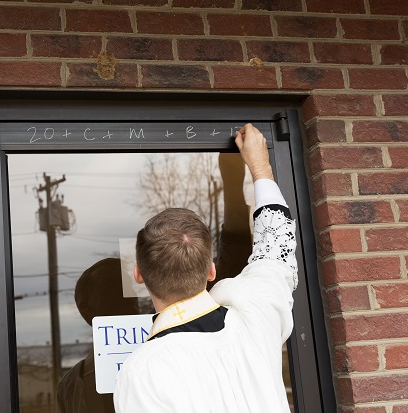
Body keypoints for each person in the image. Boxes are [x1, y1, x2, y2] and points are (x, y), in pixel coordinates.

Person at [114, 123, 297, 413]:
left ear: (138, 275)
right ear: (211, 271)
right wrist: (260, 167)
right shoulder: (256, 315)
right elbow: (275, 248)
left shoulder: (142, 373)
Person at [57, 258, 140, 413]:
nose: (128, 294)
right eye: (111, 286)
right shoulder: (73, 384)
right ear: (86, 309)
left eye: (128, 286)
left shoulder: (168, 351)